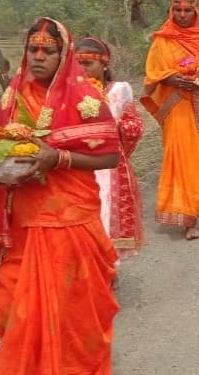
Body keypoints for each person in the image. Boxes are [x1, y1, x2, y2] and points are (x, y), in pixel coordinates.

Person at [0, 17, 121, 373]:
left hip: (69, 220)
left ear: (62, 55)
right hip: (22, 219)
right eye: (32, 49)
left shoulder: (88, 99)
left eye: (47, 51)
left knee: (70, 311)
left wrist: (58, 158)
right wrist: (1, 164)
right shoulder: (13, 96)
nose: (38, 56)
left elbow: (111, 155)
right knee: (10, 303)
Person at [142, 0, 199, 240]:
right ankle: (177, 210)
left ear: (195, 12)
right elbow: (151, 74)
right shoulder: (161, 40)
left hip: (196, 107)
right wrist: (171, 78)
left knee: (196, 160)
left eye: (187, 10)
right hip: (174, 108)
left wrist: (198, 80)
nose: (182, 14)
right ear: (170, 11)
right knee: (177, 157)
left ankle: (191, 216)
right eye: (177, 10)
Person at [76, 37, 146, 262]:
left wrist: (111, 128)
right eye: (77, 64)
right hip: (78, 163)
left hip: (109, 165)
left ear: (104, 64)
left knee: (105, 214)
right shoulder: (69, 93)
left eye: (88, 63)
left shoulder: (119, 90)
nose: (82, 69)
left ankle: (106, 267)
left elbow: (134, 126)